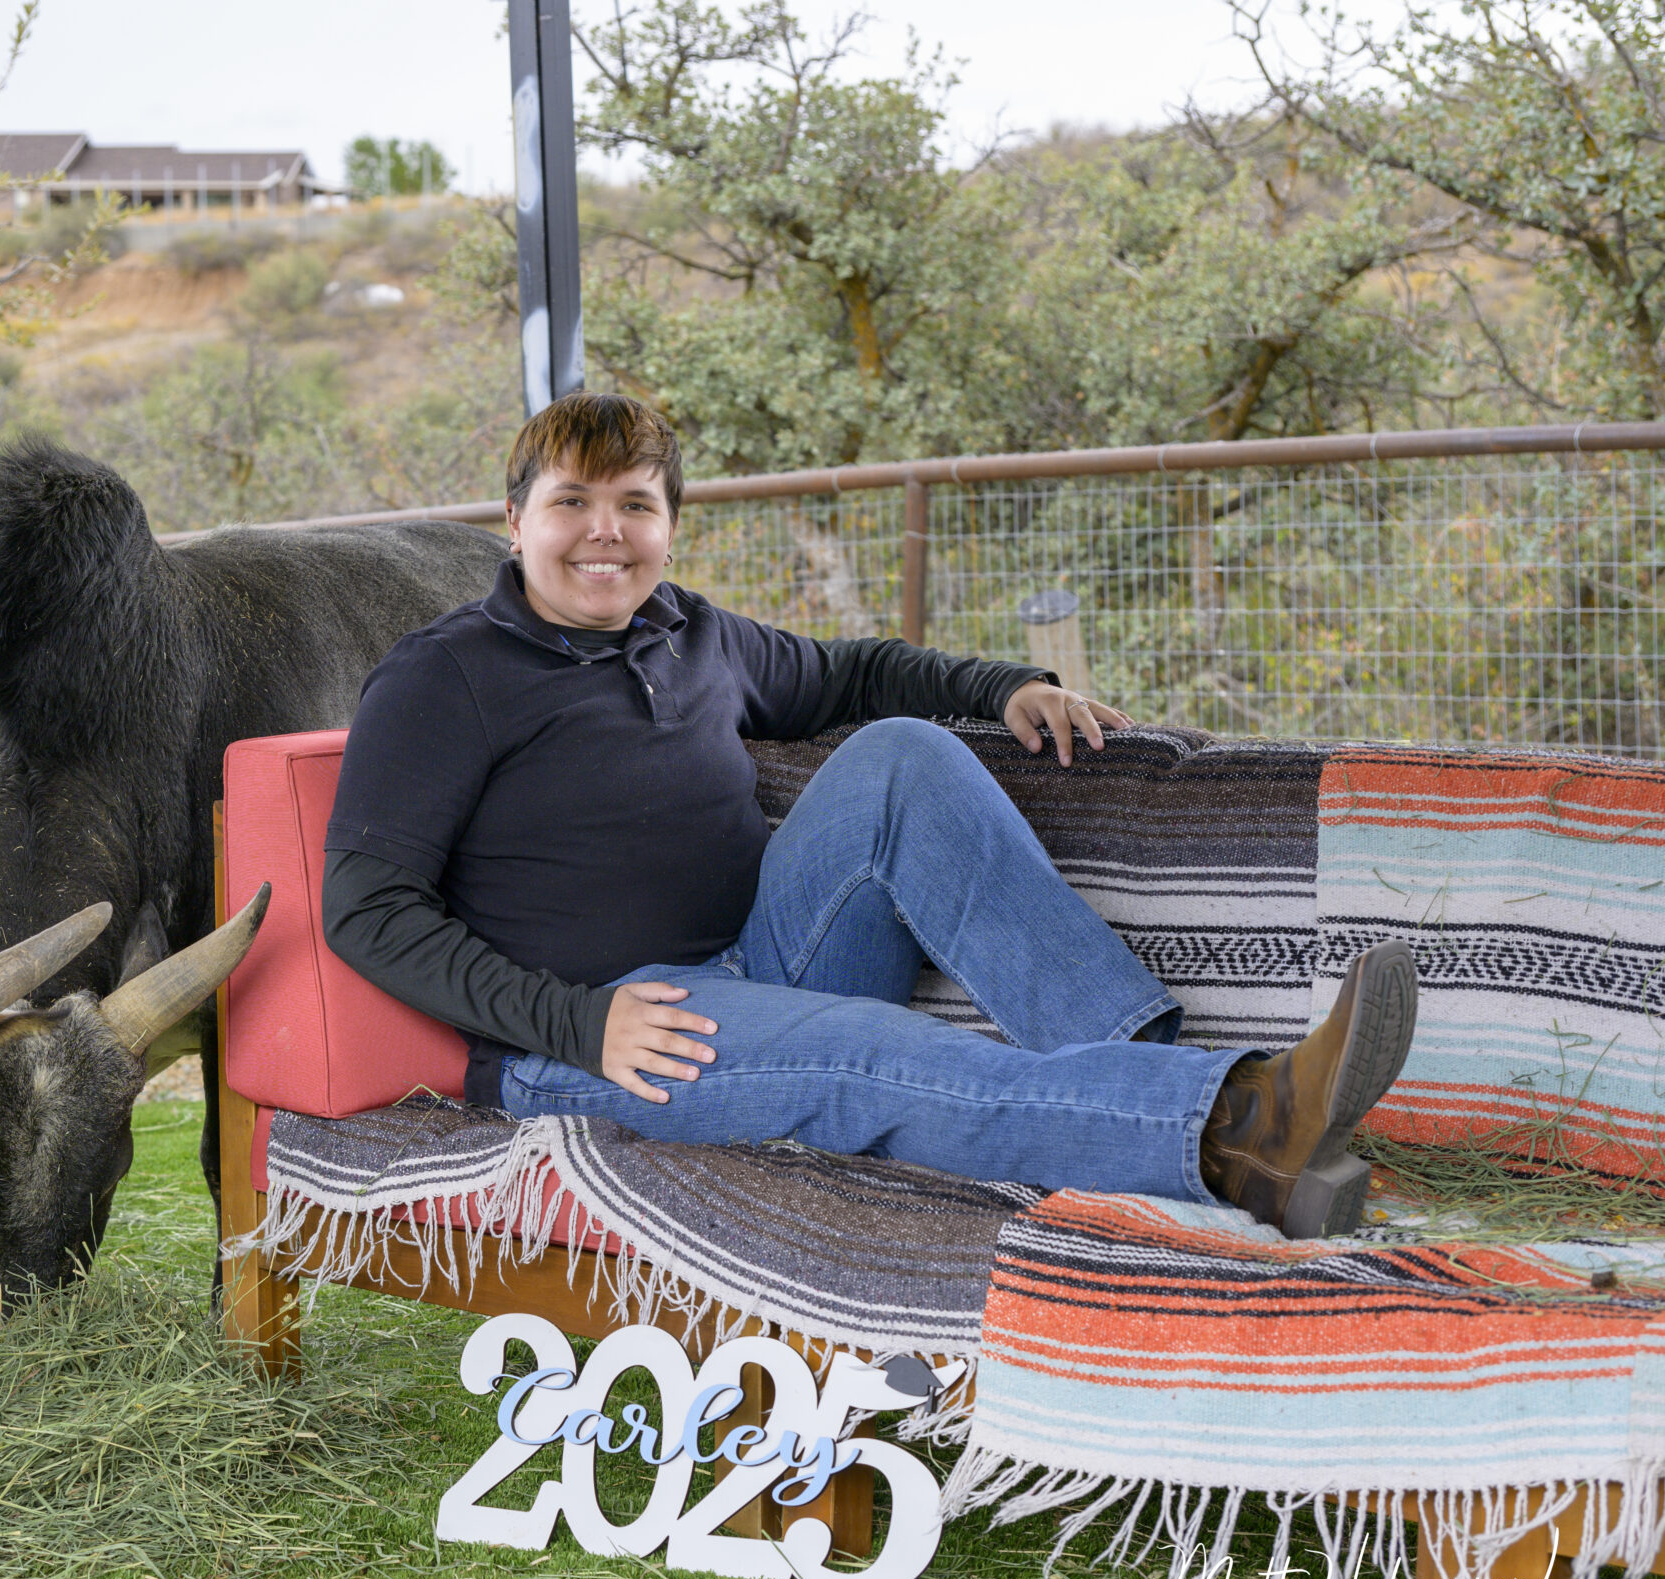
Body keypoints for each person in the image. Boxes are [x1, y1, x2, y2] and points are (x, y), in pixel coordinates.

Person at [321, 393, 1416, 1238]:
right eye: (571, 502)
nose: (603, 533)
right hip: (599, 1035)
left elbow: (855, 670)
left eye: (636, 506)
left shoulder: (689, 633)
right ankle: (1231, 1129)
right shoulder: (442, 678)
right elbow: (365, 912)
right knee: (865, 1049)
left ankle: (1170, 1087)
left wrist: (1005, 686)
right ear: (513, 520)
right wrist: (576, 1025)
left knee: (900, 754)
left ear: (670, 528)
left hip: (759, 959)